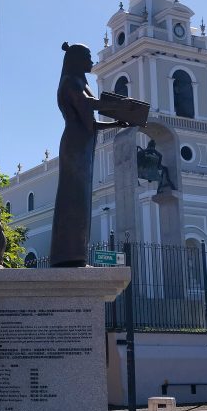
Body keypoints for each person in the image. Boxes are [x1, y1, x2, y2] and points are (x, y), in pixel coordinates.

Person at [50, 43, 128, 267]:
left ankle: (76, 253)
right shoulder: (70, 82)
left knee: (82, 200)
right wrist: (117, 106)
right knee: (71, 198)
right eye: (87, 57)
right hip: (74, 145)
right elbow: (85, 104)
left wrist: (116, 122)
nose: (91, 61)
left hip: (83, 144)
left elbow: (92, 123)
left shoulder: (81, 82)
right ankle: (65, 254)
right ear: (76, 59)